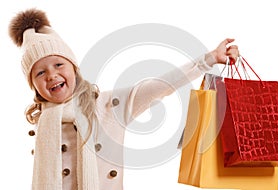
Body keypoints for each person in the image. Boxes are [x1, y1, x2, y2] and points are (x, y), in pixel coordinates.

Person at [8, 8, 239, 190]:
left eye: (59, 64)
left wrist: (208, 60)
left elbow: (159, 86)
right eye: (40, 72)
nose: (51, 75)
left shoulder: (108, 105)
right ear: (34, 85)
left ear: (74, 69)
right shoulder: (44, 121)